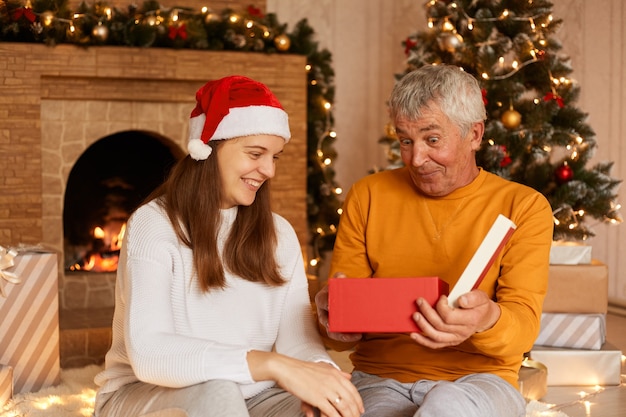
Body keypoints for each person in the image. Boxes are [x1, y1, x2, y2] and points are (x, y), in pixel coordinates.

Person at [94, 75, 364, 417]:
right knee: (219, 394)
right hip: (146, 395)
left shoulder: (279, 233)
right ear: (208, 150)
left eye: (275, 157)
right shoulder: (154, 223)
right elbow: (151, 355)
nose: (268, 170)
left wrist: (324, 378)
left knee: (330, 405)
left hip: (253, 399)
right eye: (255, 153)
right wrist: (274, 366)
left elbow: (298, 342)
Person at [315, 64, 554, 417]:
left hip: (481, 379)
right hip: (381, 377)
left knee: (447, 406)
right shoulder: (367, 195)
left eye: (432, 140)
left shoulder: (525, 206)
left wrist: (487, 318)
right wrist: (334, 319)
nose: (416, 159)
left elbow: (522, 331)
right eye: (405, 141)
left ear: (474, 134)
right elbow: (340, 328)